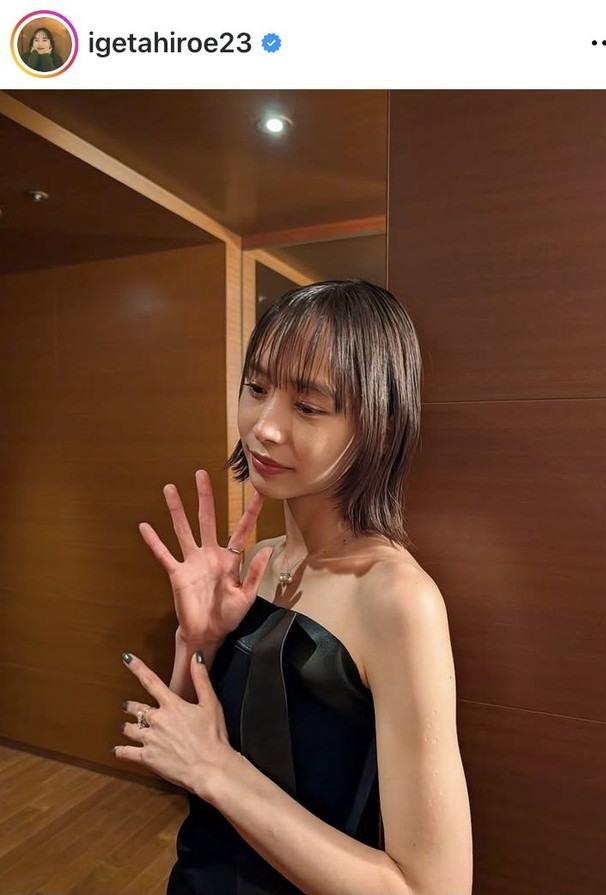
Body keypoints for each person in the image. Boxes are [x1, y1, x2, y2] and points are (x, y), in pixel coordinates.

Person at [114, 280, 473, 895]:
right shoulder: (259, 560)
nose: (265, 428)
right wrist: (196, 643)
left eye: (307, 406)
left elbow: (431, 888)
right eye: (257, 389)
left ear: (378, 423)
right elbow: (179, 764)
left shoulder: (397, 598)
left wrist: (219, 770)